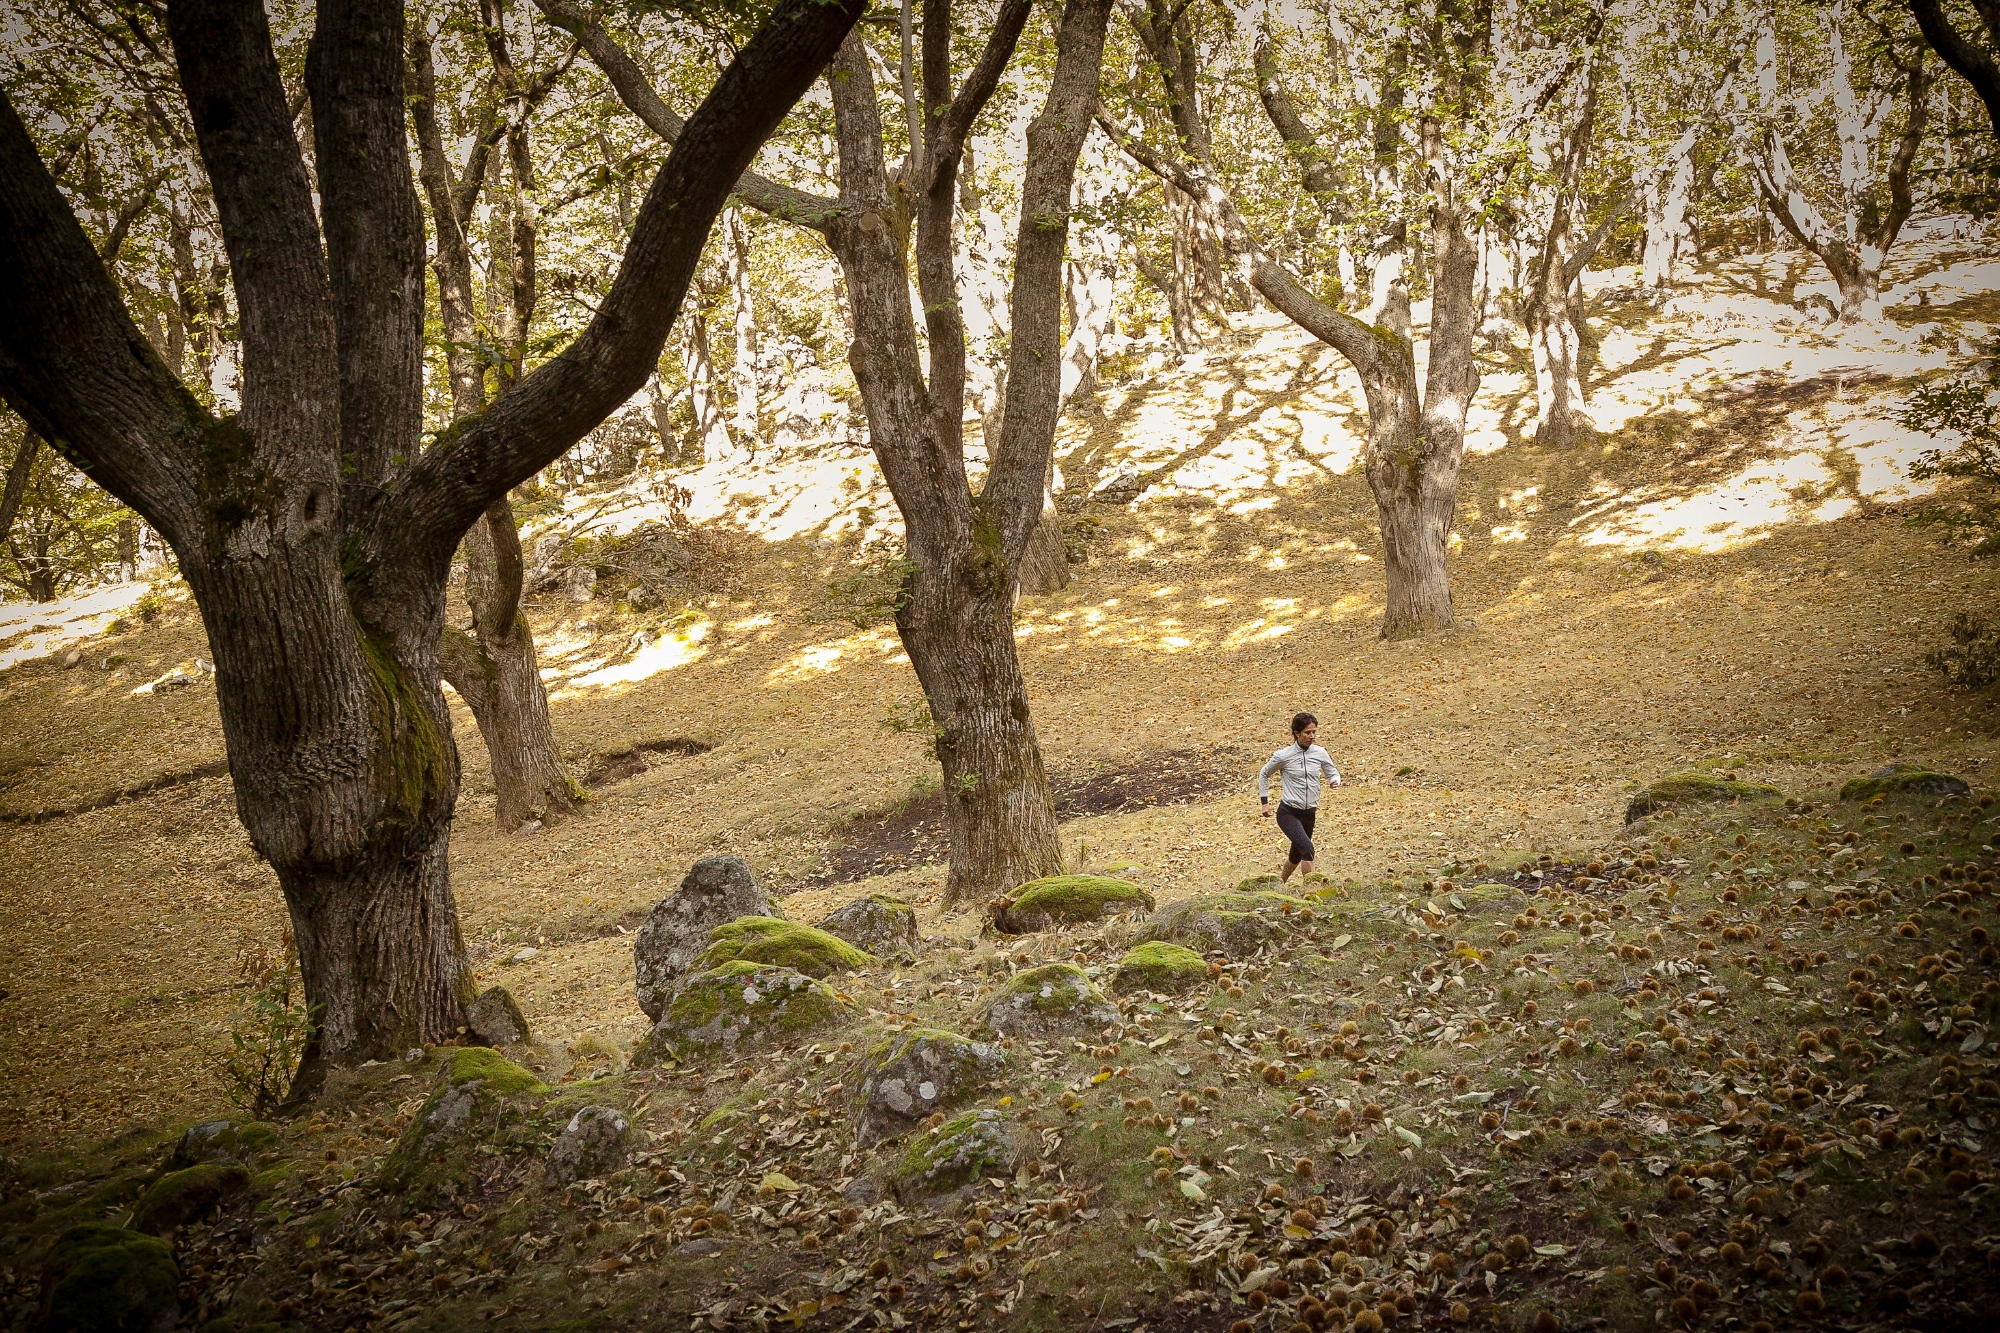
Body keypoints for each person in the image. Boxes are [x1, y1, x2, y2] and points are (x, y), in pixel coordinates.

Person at [1257, 712, 1341, 882]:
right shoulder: (1283, 756)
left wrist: (1334, 780)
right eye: (1307, 733)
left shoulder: (1320, 752)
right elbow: (1264, 774)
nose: (1312, 736)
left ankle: (1278, 884)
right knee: (1308, 850)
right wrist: (1264, 803)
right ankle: (1311, 891)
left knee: (1296, 856)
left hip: (1309, 812)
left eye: (1314, 732)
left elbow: (1332, 772)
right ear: (1296, 733)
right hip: (1288, 812)